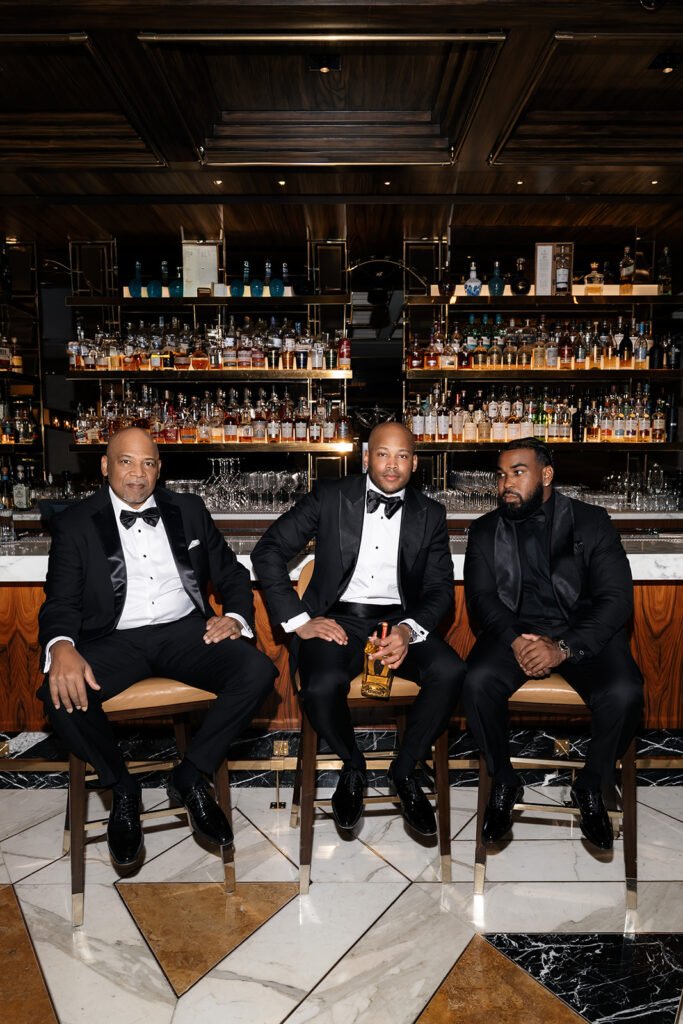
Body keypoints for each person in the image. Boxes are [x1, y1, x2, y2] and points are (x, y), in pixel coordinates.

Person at [38, 427, 276, 866]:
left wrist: (236, 617)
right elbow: (60, 601)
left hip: (184, 632)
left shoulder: (188, 508)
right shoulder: (75, 522)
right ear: (105, 466)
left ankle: (190, 775)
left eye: (148, 463)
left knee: (258, 670)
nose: (138, 473)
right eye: (126, 461)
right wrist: (61, 646)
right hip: (112, 639)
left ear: (159, 469)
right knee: (59, 695)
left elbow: (231, 574)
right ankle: (122, 789)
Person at [252, 422, 465, 837]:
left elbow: (440, 591)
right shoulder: (331, 496)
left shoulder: (431, 513)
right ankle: (353, 764)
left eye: (402, 456)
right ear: (366, 457)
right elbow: (269, 550)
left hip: (398, 622)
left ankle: (404, 770)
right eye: (383, 454)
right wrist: (300, 621)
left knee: (452, 671)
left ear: (415, 463)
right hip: (338, 620)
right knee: (320, 686)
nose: (392, 465)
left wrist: (407, 630)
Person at [463, 438, 643, 850]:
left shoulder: (591, 521)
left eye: (518, 473)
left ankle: (592, 784)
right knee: (475, 681)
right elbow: (481, 600)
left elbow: (616, 600)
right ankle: (504, 780)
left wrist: (562, 647)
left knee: (625, 691)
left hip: (581, 632)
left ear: (546, 475)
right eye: (501, 475)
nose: (506, 484)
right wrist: (515, 641)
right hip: (515, 634)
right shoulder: (485, 529)